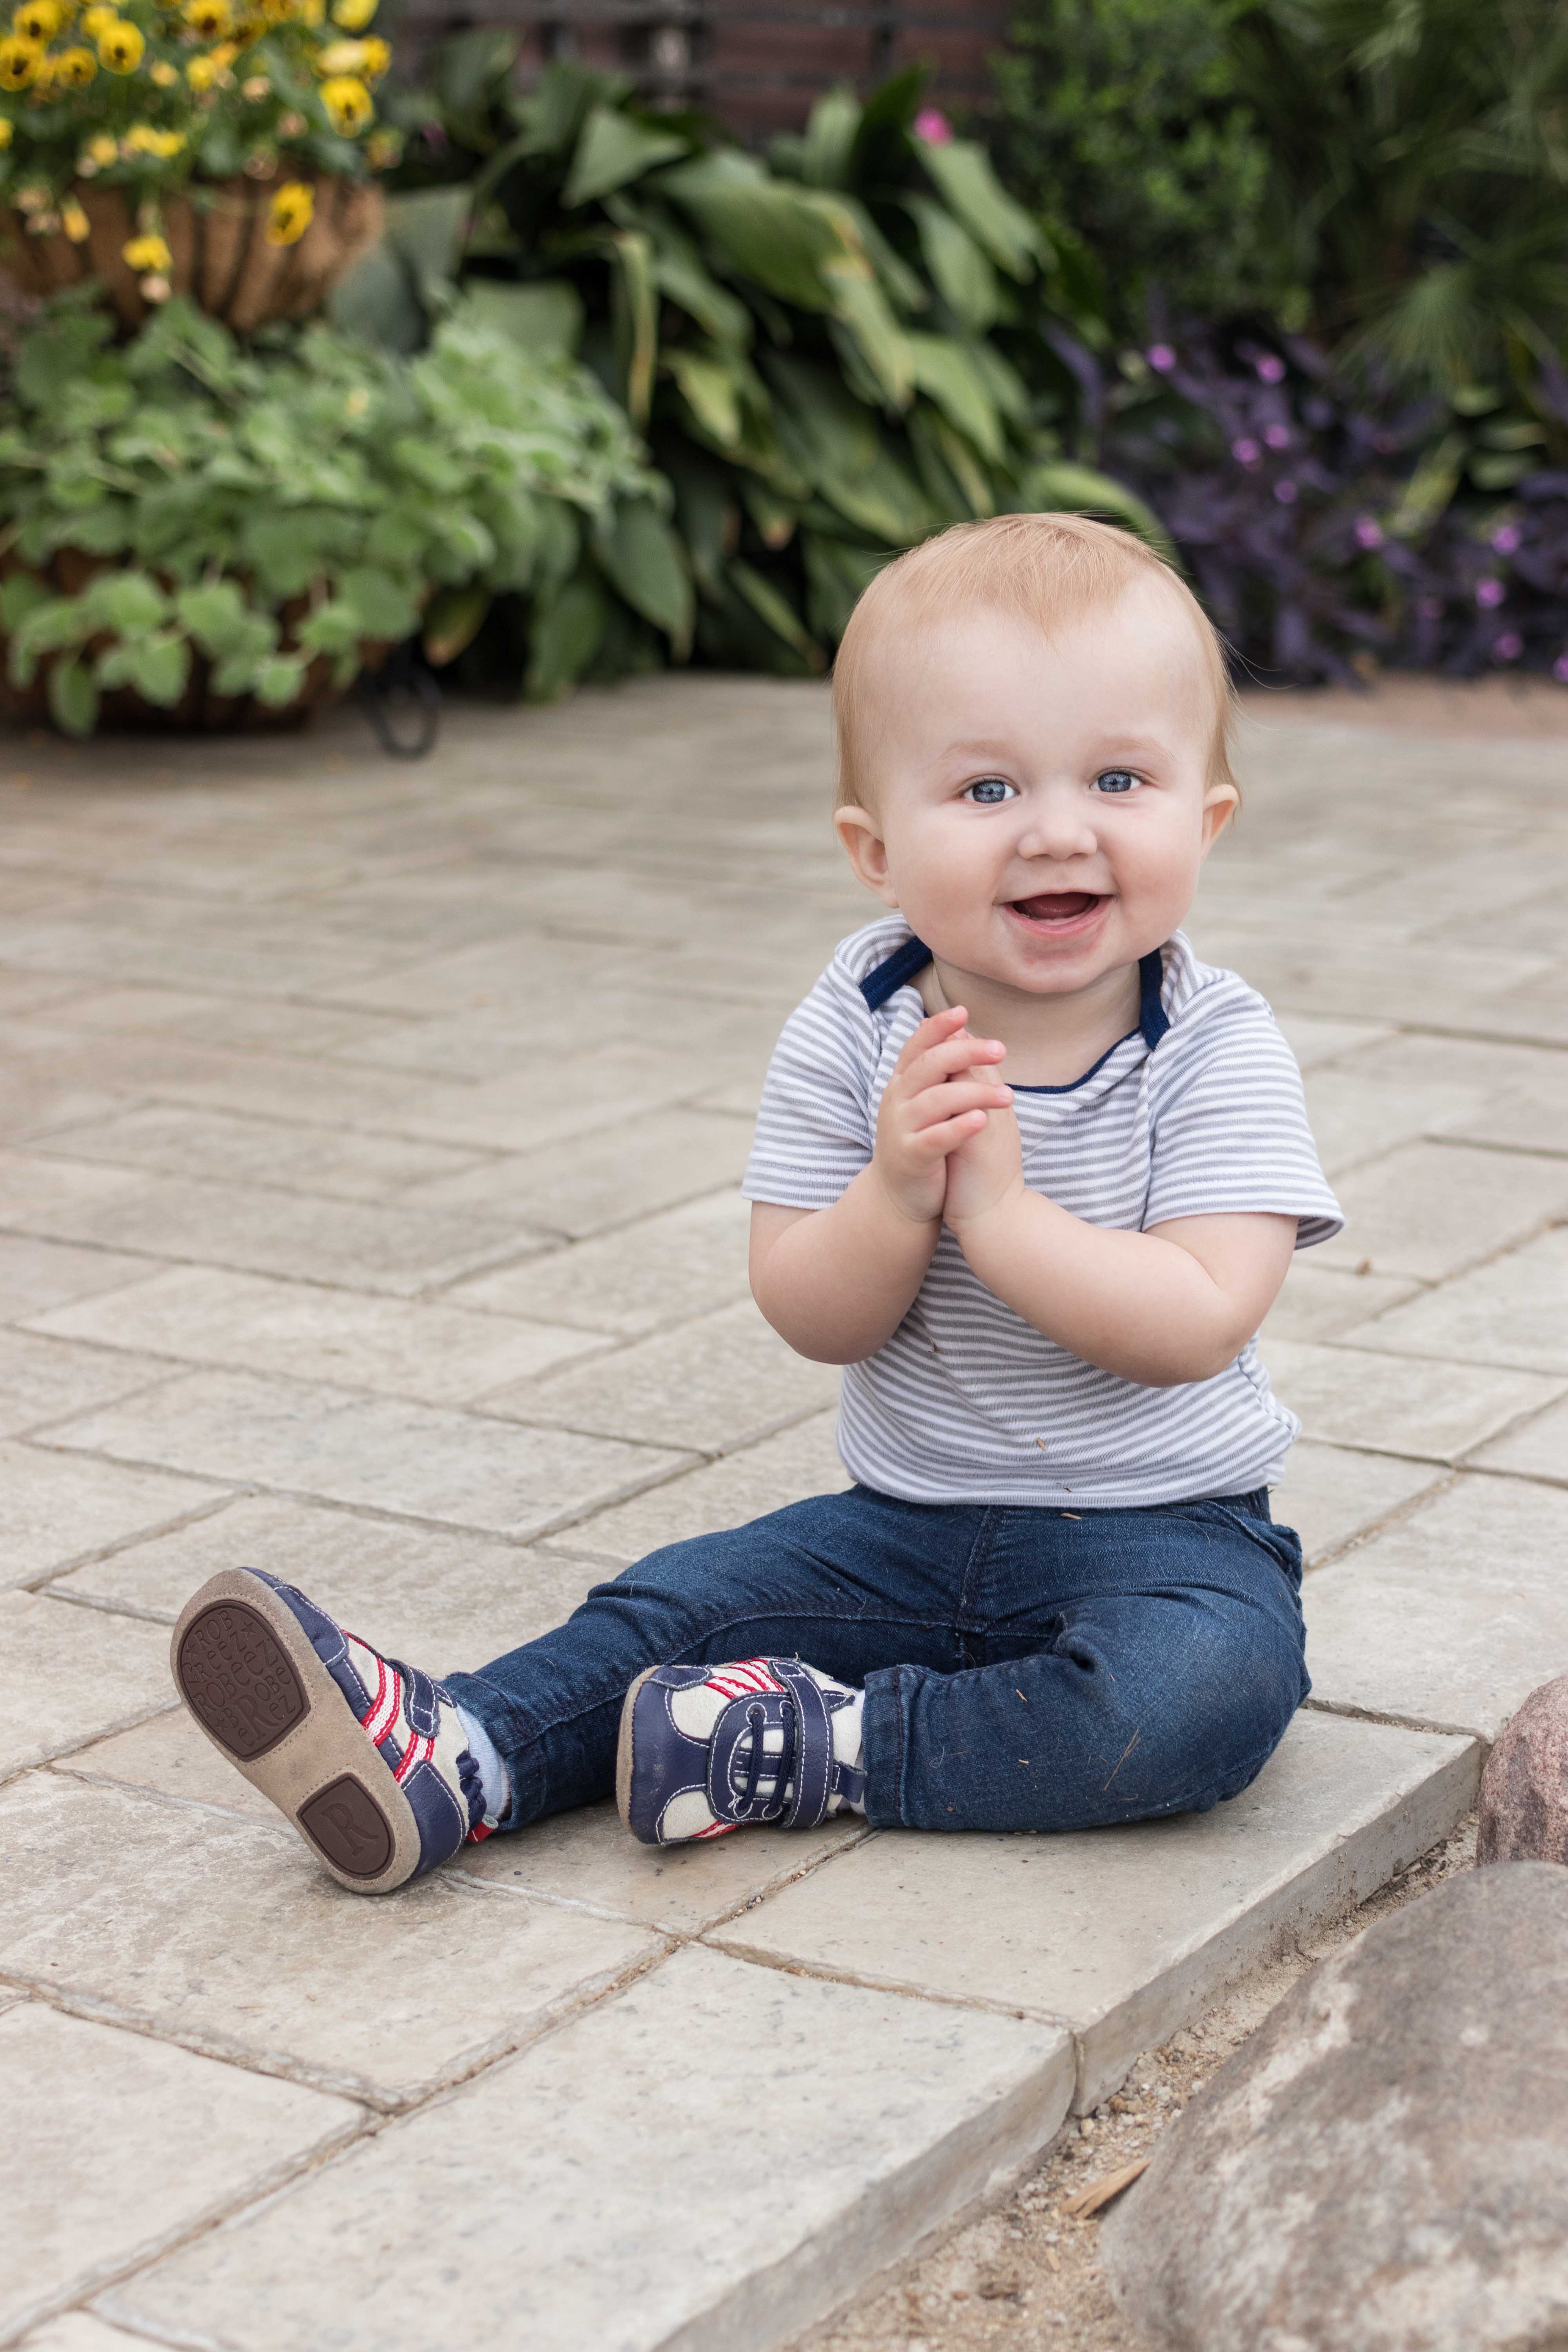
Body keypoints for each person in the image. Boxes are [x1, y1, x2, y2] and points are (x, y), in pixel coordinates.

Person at [170, 512, 1342, 1896]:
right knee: (682, 1599)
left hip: (1169, 1531)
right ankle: (459, 1754)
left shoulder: (1217, 1043)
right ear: (874, 848)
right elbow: (810, 1309)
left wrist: (1005, 1219)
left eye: (1119, 778)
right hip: (901, 1521)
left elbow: (1204, 1318)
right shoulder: (855, 1027)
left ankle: (817, 1744)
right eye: (985, 792)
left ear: (1204, 821)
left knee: (1201, 1697)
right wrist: (898, 1190)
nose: (1057, 831)